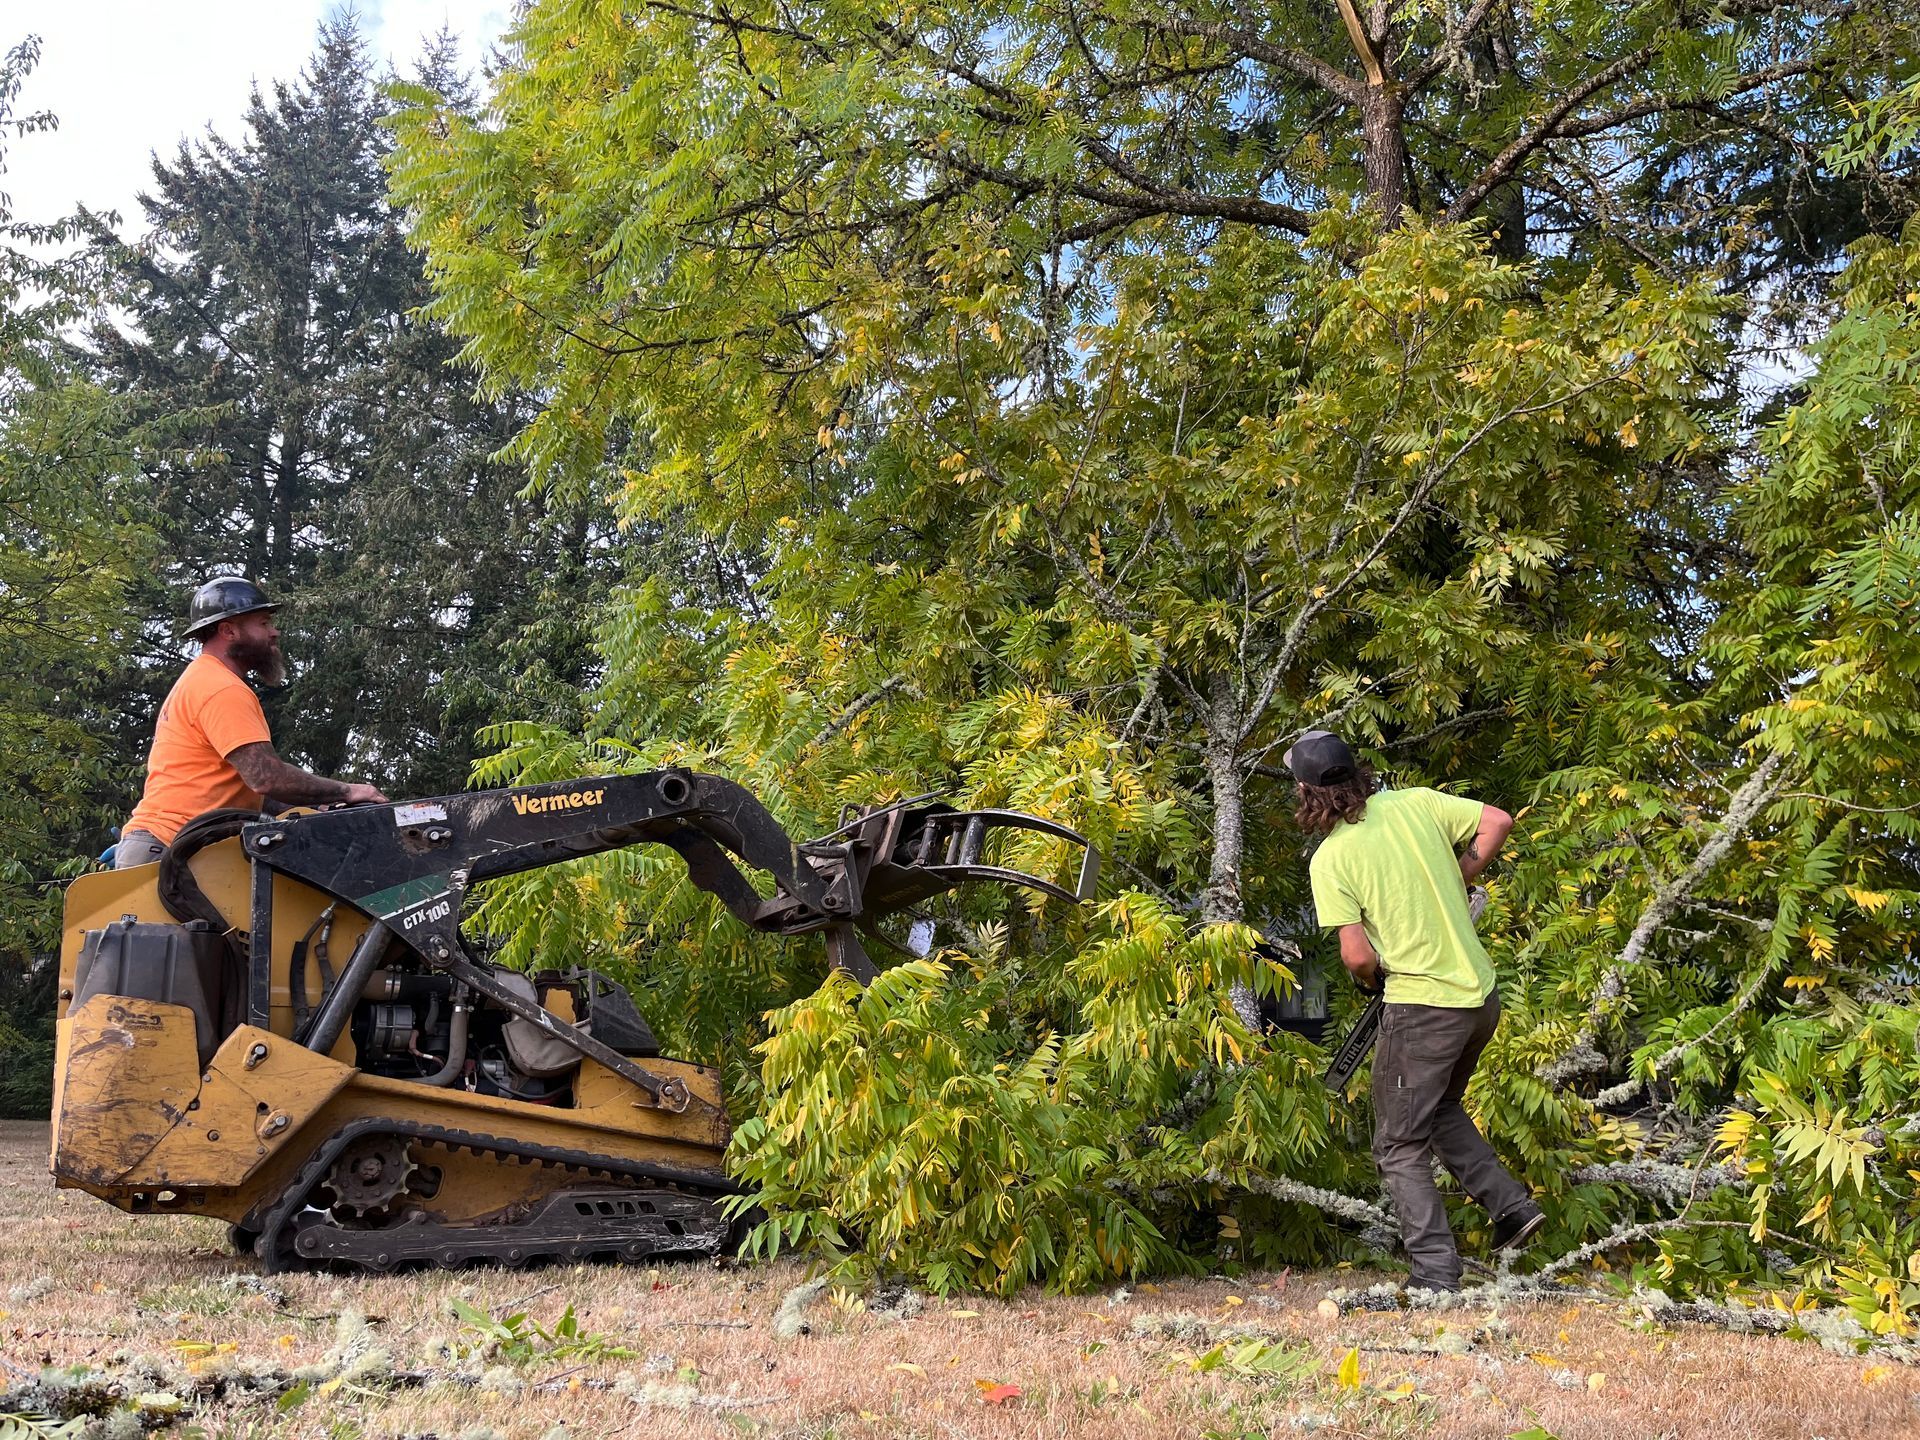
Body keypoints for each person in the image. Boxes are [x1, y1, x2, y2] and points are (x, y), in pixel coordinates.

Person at [1287, 729, 1543, 1292]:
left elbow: (1356, 956)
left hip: (1423, 1008)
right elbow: (1497, 820)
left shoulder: (1331, 860)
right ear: (1355, 773)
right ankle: (1513, 1209)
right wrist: (1458, 875)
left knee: (1398, 1144)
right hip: (1479, 999)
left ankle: (1434, 1277)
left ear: (1305, 792)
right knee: (1439, 1109)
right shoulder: (1416, 803)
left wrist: (1370, 977)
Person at [115, 577, 388, 868]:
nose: (274, 632)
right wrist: (349, 791)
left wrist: (320, 806)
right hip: (171, 852)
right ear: (229, 630)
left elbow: (252, 793)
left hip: (170, 849)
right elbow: (266, 778)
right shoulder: (220, 688)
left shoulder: (204, 679)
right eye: (263, 623)